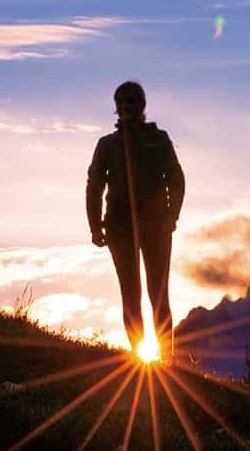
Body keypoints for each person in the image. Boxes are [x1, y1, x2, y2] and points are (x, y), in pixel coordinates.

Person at [86, 81, 185, 361]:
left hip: (156, 228)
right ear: (116, 107)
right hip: (118, 228)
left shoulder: (159, 139)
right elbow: (94, 186)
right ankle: (138, 360)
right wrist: (95, 225)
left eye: (132, 101)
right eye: (122, 102)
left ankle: (167, 362)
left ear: (142, 105)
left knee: (158, 296)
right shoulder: (107, 145)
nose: (126, 106)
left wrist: (171, 215)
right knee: (131, 296)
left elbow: (176, 179)